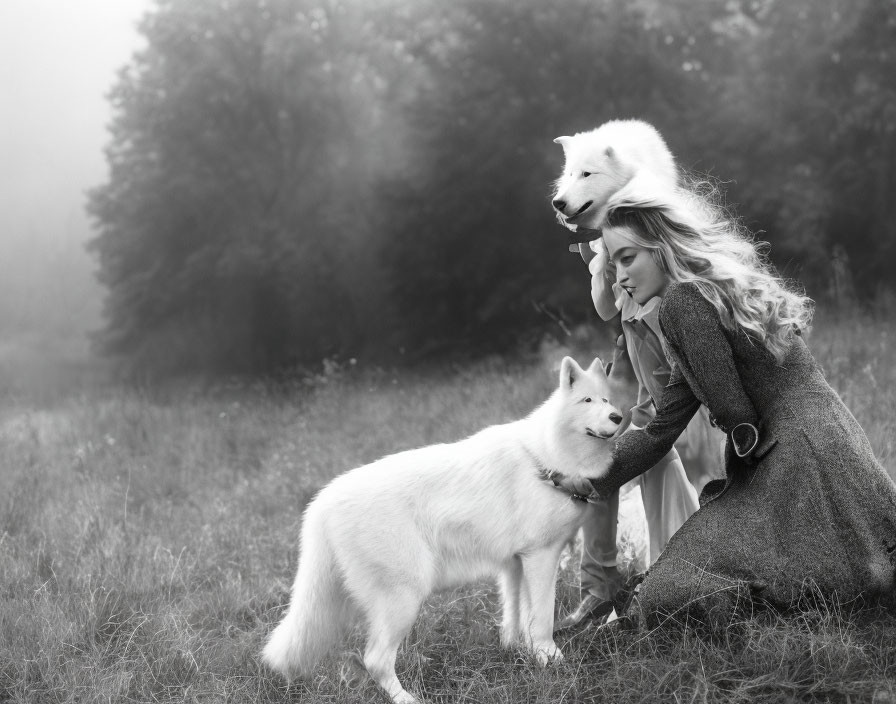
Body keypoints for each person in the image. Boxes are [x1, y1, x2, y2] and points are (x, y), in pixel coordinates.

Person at [549, 181, 896, 621]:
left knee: (676, 591)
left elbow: (735, 413)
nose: (618, 276)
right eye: (613, 261)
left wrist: (740, 483)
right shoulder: (708, 290)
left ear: (661, 247)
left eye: (627, 258)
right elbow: (660, 431)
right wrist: (593, 475)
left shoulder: (681, 304)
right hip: (838, 448)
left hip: (794, 465)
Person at [556, 236, 723, 630]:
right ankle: (600, 584)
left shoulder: (663, 268)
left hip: (669, 359)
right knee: (598, 446)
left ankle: (674, 576)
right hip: (635, 352)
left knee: (663, 456)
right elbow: (605, 305)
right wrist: (593, 252)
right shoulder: (611, 247)